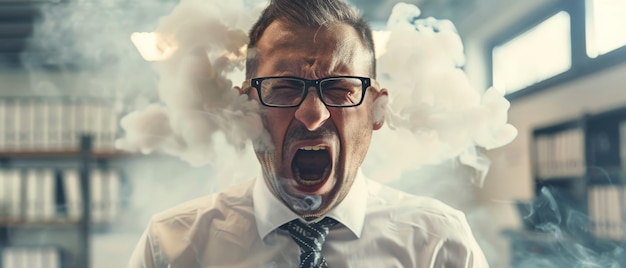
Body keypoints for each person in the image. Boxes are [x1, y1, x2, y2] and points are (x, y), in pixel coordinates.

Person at [128, 0, 489, 267]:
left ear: (377, 110)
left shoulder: (440, 245)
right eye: (283, 87)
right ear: (245, 110)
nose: (313, 115)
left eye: (340, 89)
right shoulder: (172, 248)